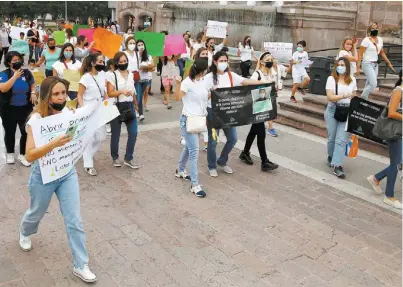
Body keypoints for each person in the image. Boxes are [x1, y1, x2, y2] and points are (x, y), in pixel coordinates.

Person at [19, 76, 97, 283]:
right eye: (56, 93)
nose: (62, 97)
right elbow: (29, 155)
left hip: (66, 172)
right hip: (43, 176)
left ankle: (81, 265)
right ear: (47, 96)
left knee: (74, 220)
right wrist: (53, 143)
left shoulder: (67, 113)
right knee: (36, 212)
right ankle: (25, 231)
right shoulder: (35, 120)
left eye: (64, 93)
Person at [203, 51, 262, 177]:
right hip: (213, 112)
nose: (224, 63)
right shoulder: (208, 78)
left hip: (228, 112)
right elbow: (202, 97)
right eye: (221, 61)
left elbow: (245, 82)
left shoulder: (231, 75)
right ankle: (211, 165)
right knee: (213, 142)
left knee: (233, 138)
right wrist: (211, 93)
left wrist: (263, 83)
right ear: (215, 62)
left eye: (225, 61)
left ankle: (222, 160)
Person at [173, 58, 209, 197]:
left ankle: (180, 170)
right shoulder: (187, 82)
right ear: (203, 69)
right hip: (188, 120)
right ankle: (195, 185)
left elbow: (204, 97)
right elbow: (177, 98)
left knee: (189, 147)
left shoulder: (202, 82)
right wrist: (177, 84)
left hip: (199, 120)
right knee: (194, 151)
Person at [367, 70, 402, 209]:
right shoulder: (398, 91)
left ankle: (376, 178)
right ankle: (389, 196)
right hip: (394, 131)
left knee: (398, 162)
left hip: (400, 131)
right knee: (397, 163)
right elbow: (392, 112)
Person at [239, 52, 279, 171]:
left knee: (254, 131)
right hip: (257, 108)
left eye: (271, 59)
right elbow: (249, 89)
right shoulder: (257, 74)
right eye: (267, 59)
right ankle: (264, 161)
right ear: (261, 61)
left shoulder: (271, 74)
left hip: (266, 106)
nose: (270, 61)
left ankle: (245, 153)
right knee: (261, 133)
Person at [0, 51, 36, 166]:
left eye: (19, 60)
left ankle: (22, 154)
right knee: (10, 131)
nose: (17, 62)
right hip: (9, 108)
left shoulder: (26, 73)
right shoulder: (4, 74)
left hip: (25, 107)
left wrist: (34, 92)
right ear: (9, 63)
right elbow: (4, 88)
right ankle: (10, 153)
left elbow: (32, 84)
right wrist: (14, 77)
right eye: (14, 61)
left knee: (26, 131)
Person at [325, 57, 357, 179]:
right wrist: (344, 95)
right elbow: (330, 97)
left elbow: (354, 95)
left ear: (347, 67)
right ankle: (331, 155)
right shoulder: (331, 79)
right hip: (333, 109)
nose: (340, 67)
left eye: (343, 65)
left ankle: (337, 165)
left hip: (347, 111)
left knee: (341, 139)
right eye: (338, 65)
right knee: (332, 137)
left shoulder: (352, 80)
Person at [106, 52, 138, 168]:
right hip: (117, 106)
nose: (124, 63)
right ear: (116, 63)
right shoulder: (112, 75)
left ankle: (129, 158)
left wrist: (135, 103)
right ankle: (115, 157)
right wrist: (121, 91)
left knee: (133, 133)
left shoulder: (131, 75)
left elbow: (133, 90)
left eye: (125, 61)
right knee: (116, 134)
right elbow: (110, 93)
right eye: (121, 62)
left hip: (129, 106)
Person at [77, 53, 107, 176]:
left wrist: (107, 101)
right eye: (100, 61)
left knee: (101, 137)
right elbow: (79, 95)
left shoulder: (102, 75)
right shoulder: (85, 78)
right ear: (93, 63)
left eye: (103, 61)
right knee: (88, 137)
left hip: (100, 109)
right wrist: (83, 110)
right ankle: (88, 164)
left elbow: (103, 91)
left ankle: (86, 154)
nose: (102, 63)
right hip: (88, 110)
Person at [357, 23, 395, 100]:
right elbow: (360, 54)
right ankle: (362, 98)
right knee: (373, 84)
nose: (375, 30)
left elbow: (382, 52)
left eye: (376, 28)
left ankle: (363, 101)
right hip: (367, 63)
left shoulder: (380, 39)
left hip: (375, 64)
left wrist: (389, 63)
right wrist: (358, 67)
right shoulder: (366, 40)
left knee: (369, 83)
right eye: (373, 28)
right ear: (369, 30)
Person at [136, 39, 153, 120]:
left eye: (142, 44)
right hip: (137, 79)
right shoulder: (135, 56)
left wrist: (146, 67)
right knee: (139, 96)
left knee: (141, 95)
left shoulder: (148, 56)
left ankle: (136, 108)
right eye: (138, 45)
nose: (140, 46)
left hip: (146, 79)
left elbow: (152, 67)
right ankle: (141, 114)